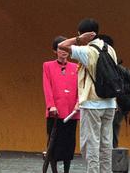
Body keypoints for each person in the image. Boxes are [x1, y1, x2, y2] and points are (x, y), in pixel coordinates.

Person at [58, 18, 117, 173]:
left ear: (85, 35)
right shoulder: (110, 49)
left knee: (91, 143)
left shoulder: (86, 51)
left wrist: (78, 39)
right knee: (106, 143)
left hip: (92, 103)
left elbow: (62, 45)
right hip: (110, 103)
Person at [42, 36, 79, 173]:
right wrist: (51, 105)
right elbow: (47, 87)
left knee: (69, 144)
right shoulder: (47, 66)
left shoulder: (76, 67)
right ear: (55, 51)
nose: (63, 51)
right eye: (60, 48)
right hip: (55, 112)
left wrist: (78, 103)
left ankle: (67, 170)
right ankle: (54, 170)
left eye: (65, 48)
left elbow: (79, 88)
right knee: (53, 144)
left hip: (71, 112)